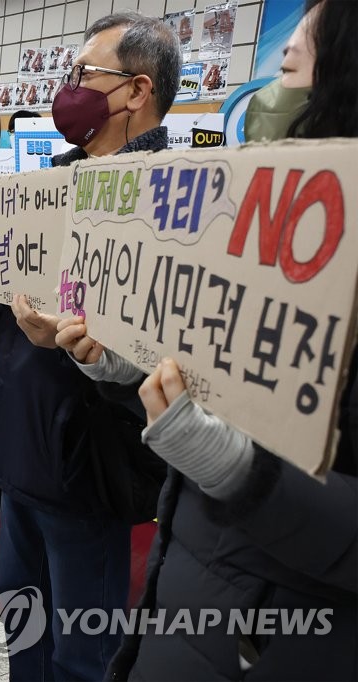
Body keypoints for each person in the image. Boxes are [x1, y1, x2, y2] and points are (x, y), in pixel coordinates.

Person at [55, 2, 356, 680]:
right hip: (194, 584)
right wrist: (104, 361)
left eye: (287, 66)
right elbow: (171, 360)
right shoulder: (258, 243)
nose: (263, 95)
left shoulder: (196, 213)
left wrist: (241, 471)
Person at [0, 11, 180, 681]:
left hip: (92, 468)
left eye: (84, 74)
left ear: (136, 90)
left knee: (81, 653)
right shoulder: (52, 180)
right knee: (23, 630)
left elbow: (169, 351)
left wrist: (85, 348)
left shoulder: (170, 197)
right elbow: (16, 307)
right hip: (21, 453)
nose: (67, 87)